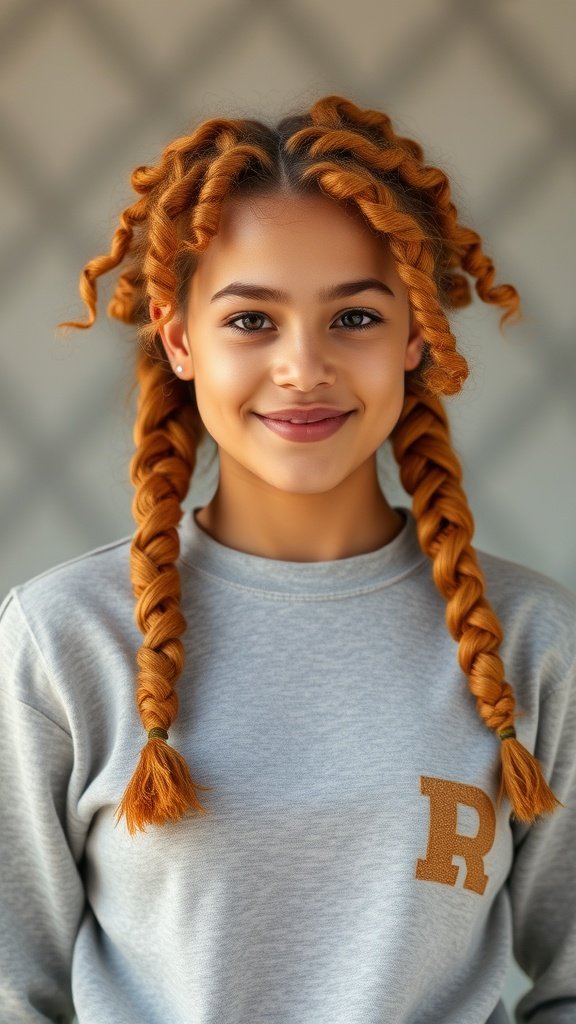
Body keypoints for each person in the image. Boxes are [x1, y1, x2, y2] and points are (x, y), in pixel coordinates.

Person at [0, 94, 574, 1024]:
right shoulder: (64, 639)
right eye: (251, 321)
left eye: (353, 319)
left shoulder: (535, 642)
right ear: (180, 337)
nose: (303, 367)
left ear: (416, 336)